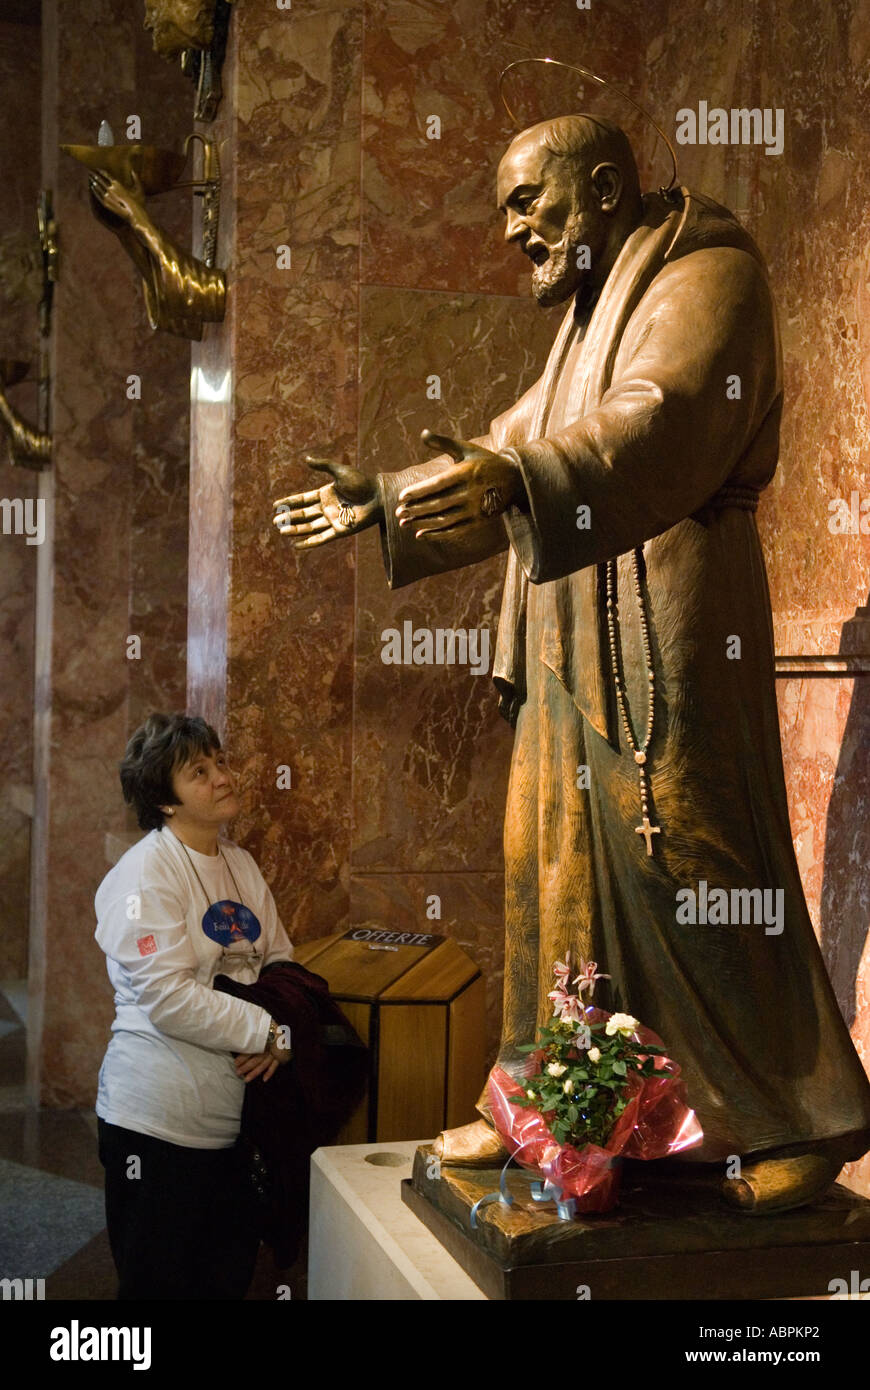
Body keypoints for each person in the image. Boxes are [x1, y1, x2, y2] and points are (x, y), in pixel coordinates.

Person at [273, 114, 870, 1213]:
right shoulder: (589, 317)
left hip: (673, 622)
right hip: (567, 629)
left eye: (526, 204)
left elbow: (665, 417)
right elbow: (512, 443)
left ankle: (789, 1116)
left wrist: (515, 475)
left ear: (601, 189)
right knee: (548, 869)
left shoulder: (709, 274)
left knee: (691, 858)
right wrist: (386, 496)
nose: (510, 232)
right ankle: (559, 1114)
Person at [95, 712, 293, 1299]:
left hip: (231, 1128)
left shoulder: (241, 863)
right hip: (154, 1124)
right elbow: (167, 997)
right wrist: (265, 1031)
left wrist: (281, 1038)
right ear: (165, 801)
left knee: (223, 1283)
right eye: (199, 773)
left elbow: (281, 962)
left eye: (220, 763)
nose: (222, 778)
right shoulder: (143, 875)